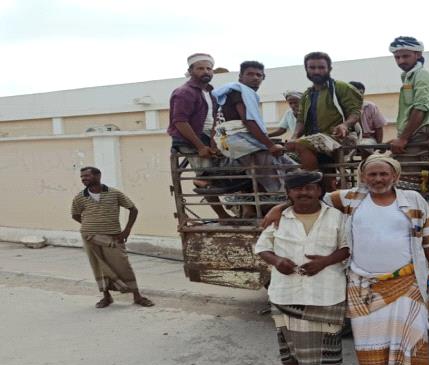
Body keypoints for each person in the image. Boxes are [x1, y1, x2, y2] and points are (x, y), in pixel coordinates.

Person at [262, 152, 429, 365]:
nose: (378, 179)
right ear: (363, 177)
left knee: (414, 333)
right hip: (363, 284)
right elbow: (308, 197)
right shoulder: (351, 198)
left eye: (383, 174)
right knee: (370, 336)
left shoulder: (413, 199)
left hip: (406, 281)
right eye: (372, 174)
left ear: (395, 176)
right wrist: (279, 207)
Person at [255, 171, 350, 365]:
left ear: (319, 191)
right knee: (286, 338)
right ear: (289, 193)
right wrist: (277, 261)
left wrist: (324, 262)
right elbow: (262, 247)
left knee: (330, 338)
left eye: (309, 188)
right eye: (298, 189)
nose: (304, 192)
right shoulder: (279, 218)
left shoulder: (337, 217)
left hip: (327, 289)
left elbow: (347, 248)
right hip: (286, 290)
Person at [212, 61, 295, 203]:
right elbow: (248, 121)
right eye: (250, 74)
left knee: (289, 165)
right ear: (240, 77)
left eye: (259, 75)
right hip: (237, 140)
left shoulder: (229, 93)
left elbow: (216, 122)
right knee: (273, 164)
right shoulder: (239, 91)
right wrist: (270, 145)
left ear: (263, 78)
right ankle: (278, 198)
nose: (255, 77)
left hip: (229, 142)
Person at [71, 167, 154, 309]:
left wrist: (127, 231)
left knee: (123, 266)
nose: (83, 179)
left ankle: (137, 296)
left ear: (98, 176)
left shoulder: (114, 193)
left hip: (113, 236)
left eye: (87, 176)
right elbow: (75, 214)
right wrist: (91, 226)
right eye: (82, 177)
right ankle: (106, 297)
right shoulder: (80, 197)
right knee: (99, 267)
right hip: (90, 237)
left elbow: (133, 209)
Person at [167, 53, 231, 220]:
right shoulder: (184, 92)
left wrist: (213, 142)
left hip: (207, 137)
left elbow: (213, 121)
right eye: (200, 68)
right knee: (206, 176)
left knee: (234, 167)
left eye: (209, 68)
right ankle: (222, 214)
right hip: (188, 139)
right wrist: (200, 146)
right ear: (191, 70)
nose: (206, 72)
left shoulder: (210, 93)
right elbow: (180, 122)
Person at [290, 52, 362, 172]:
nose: (317, 71)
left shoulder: (341, 87)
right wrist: (294, 136)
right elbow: (301, 120)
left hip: (339, 138)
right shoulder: (306, 95)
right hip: (314, 141)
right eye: (312, 68)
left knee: (301, 144)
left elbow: (356, 112)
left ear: (329, 69)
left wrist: (345, 125)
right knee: (288, 155)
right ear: (306, 69)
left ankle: (313, 182)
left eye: (321, 67)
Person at [387, 36, 429, 156]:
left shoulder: (422, 75)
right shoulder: (408, 77)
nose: (401, 61)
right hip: (416, 132)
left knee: (409, 170)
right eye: (397, 57)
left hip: (422, 131)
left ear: (418, 55)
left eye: (405, 56)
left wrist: (403, 139)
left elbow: (420, 108)